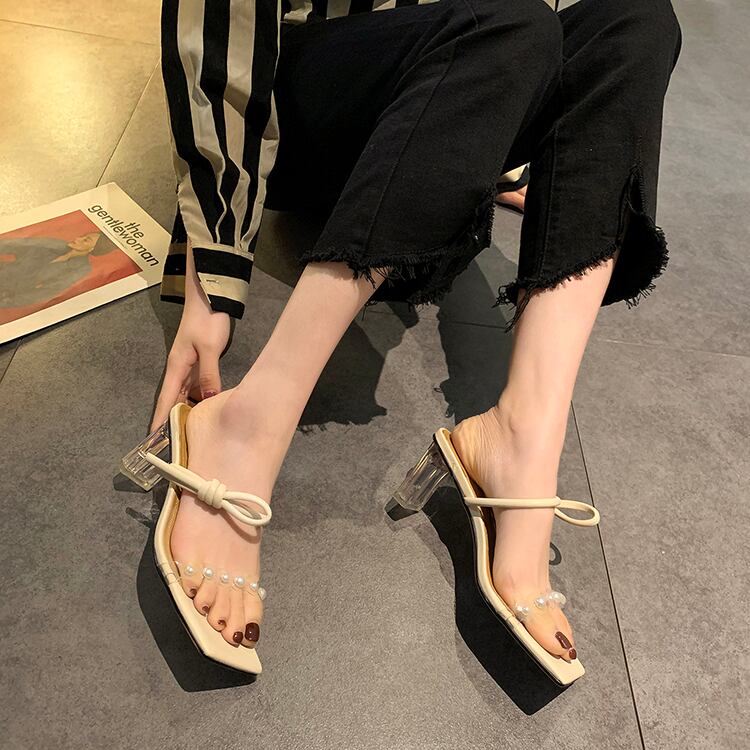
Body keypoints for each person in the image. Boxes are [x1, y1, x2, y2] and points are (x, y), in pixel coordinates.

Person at [147, 0, 681, 665]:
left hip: (456, 94)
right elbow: (223, 22)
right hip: (304, 108)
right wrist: (214, 260)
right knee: (510, 23)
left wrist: (511, 134)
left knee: (636, 22)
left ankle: (523, 434)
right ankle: (248, 422)